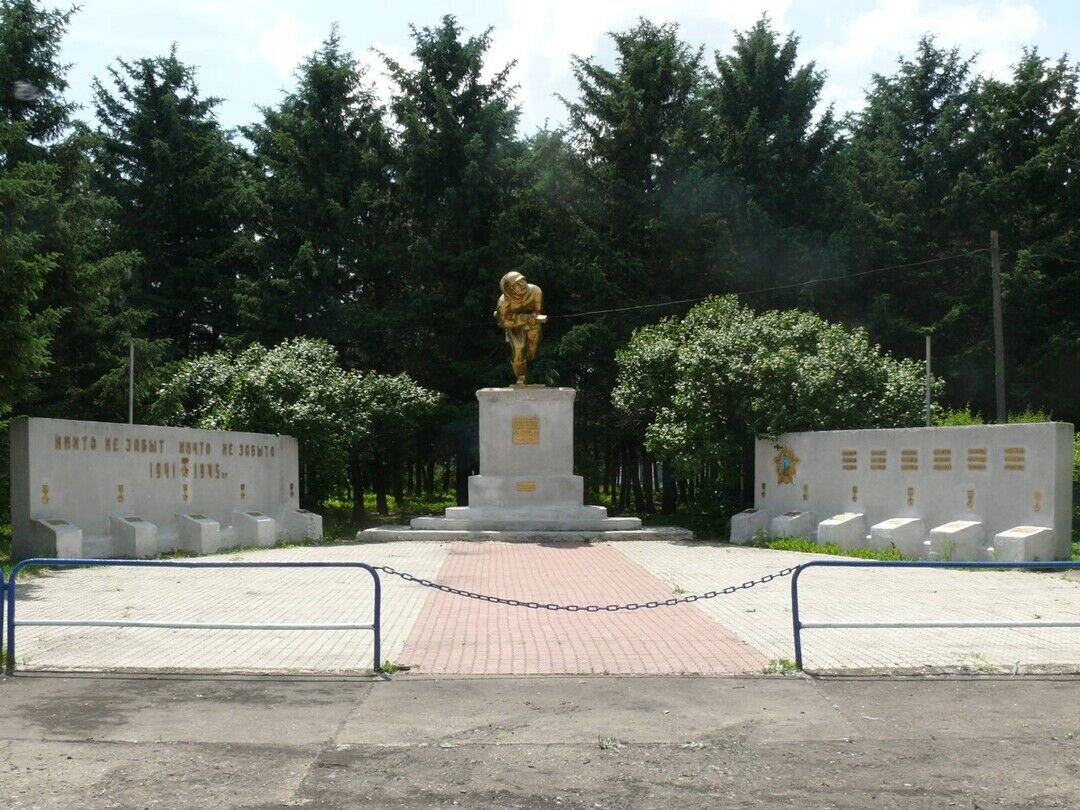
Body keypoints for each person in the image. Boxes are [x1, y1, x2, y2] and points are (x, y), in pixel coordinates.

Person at [494, 270, 547, 384]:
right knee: (519, 348)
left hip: (532, 323)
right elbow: (501, 322)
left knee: (532, 350)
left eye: (522, 280)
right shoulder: (503, 302)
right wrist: (520, 320)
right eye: (516, 284)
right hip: (514, 326)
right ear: (510, 289)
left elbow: (537, 311)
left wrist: (533, 317)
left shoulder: (535, 291)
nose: (522, 285)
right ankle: (520, 376)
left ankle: (531, 368)